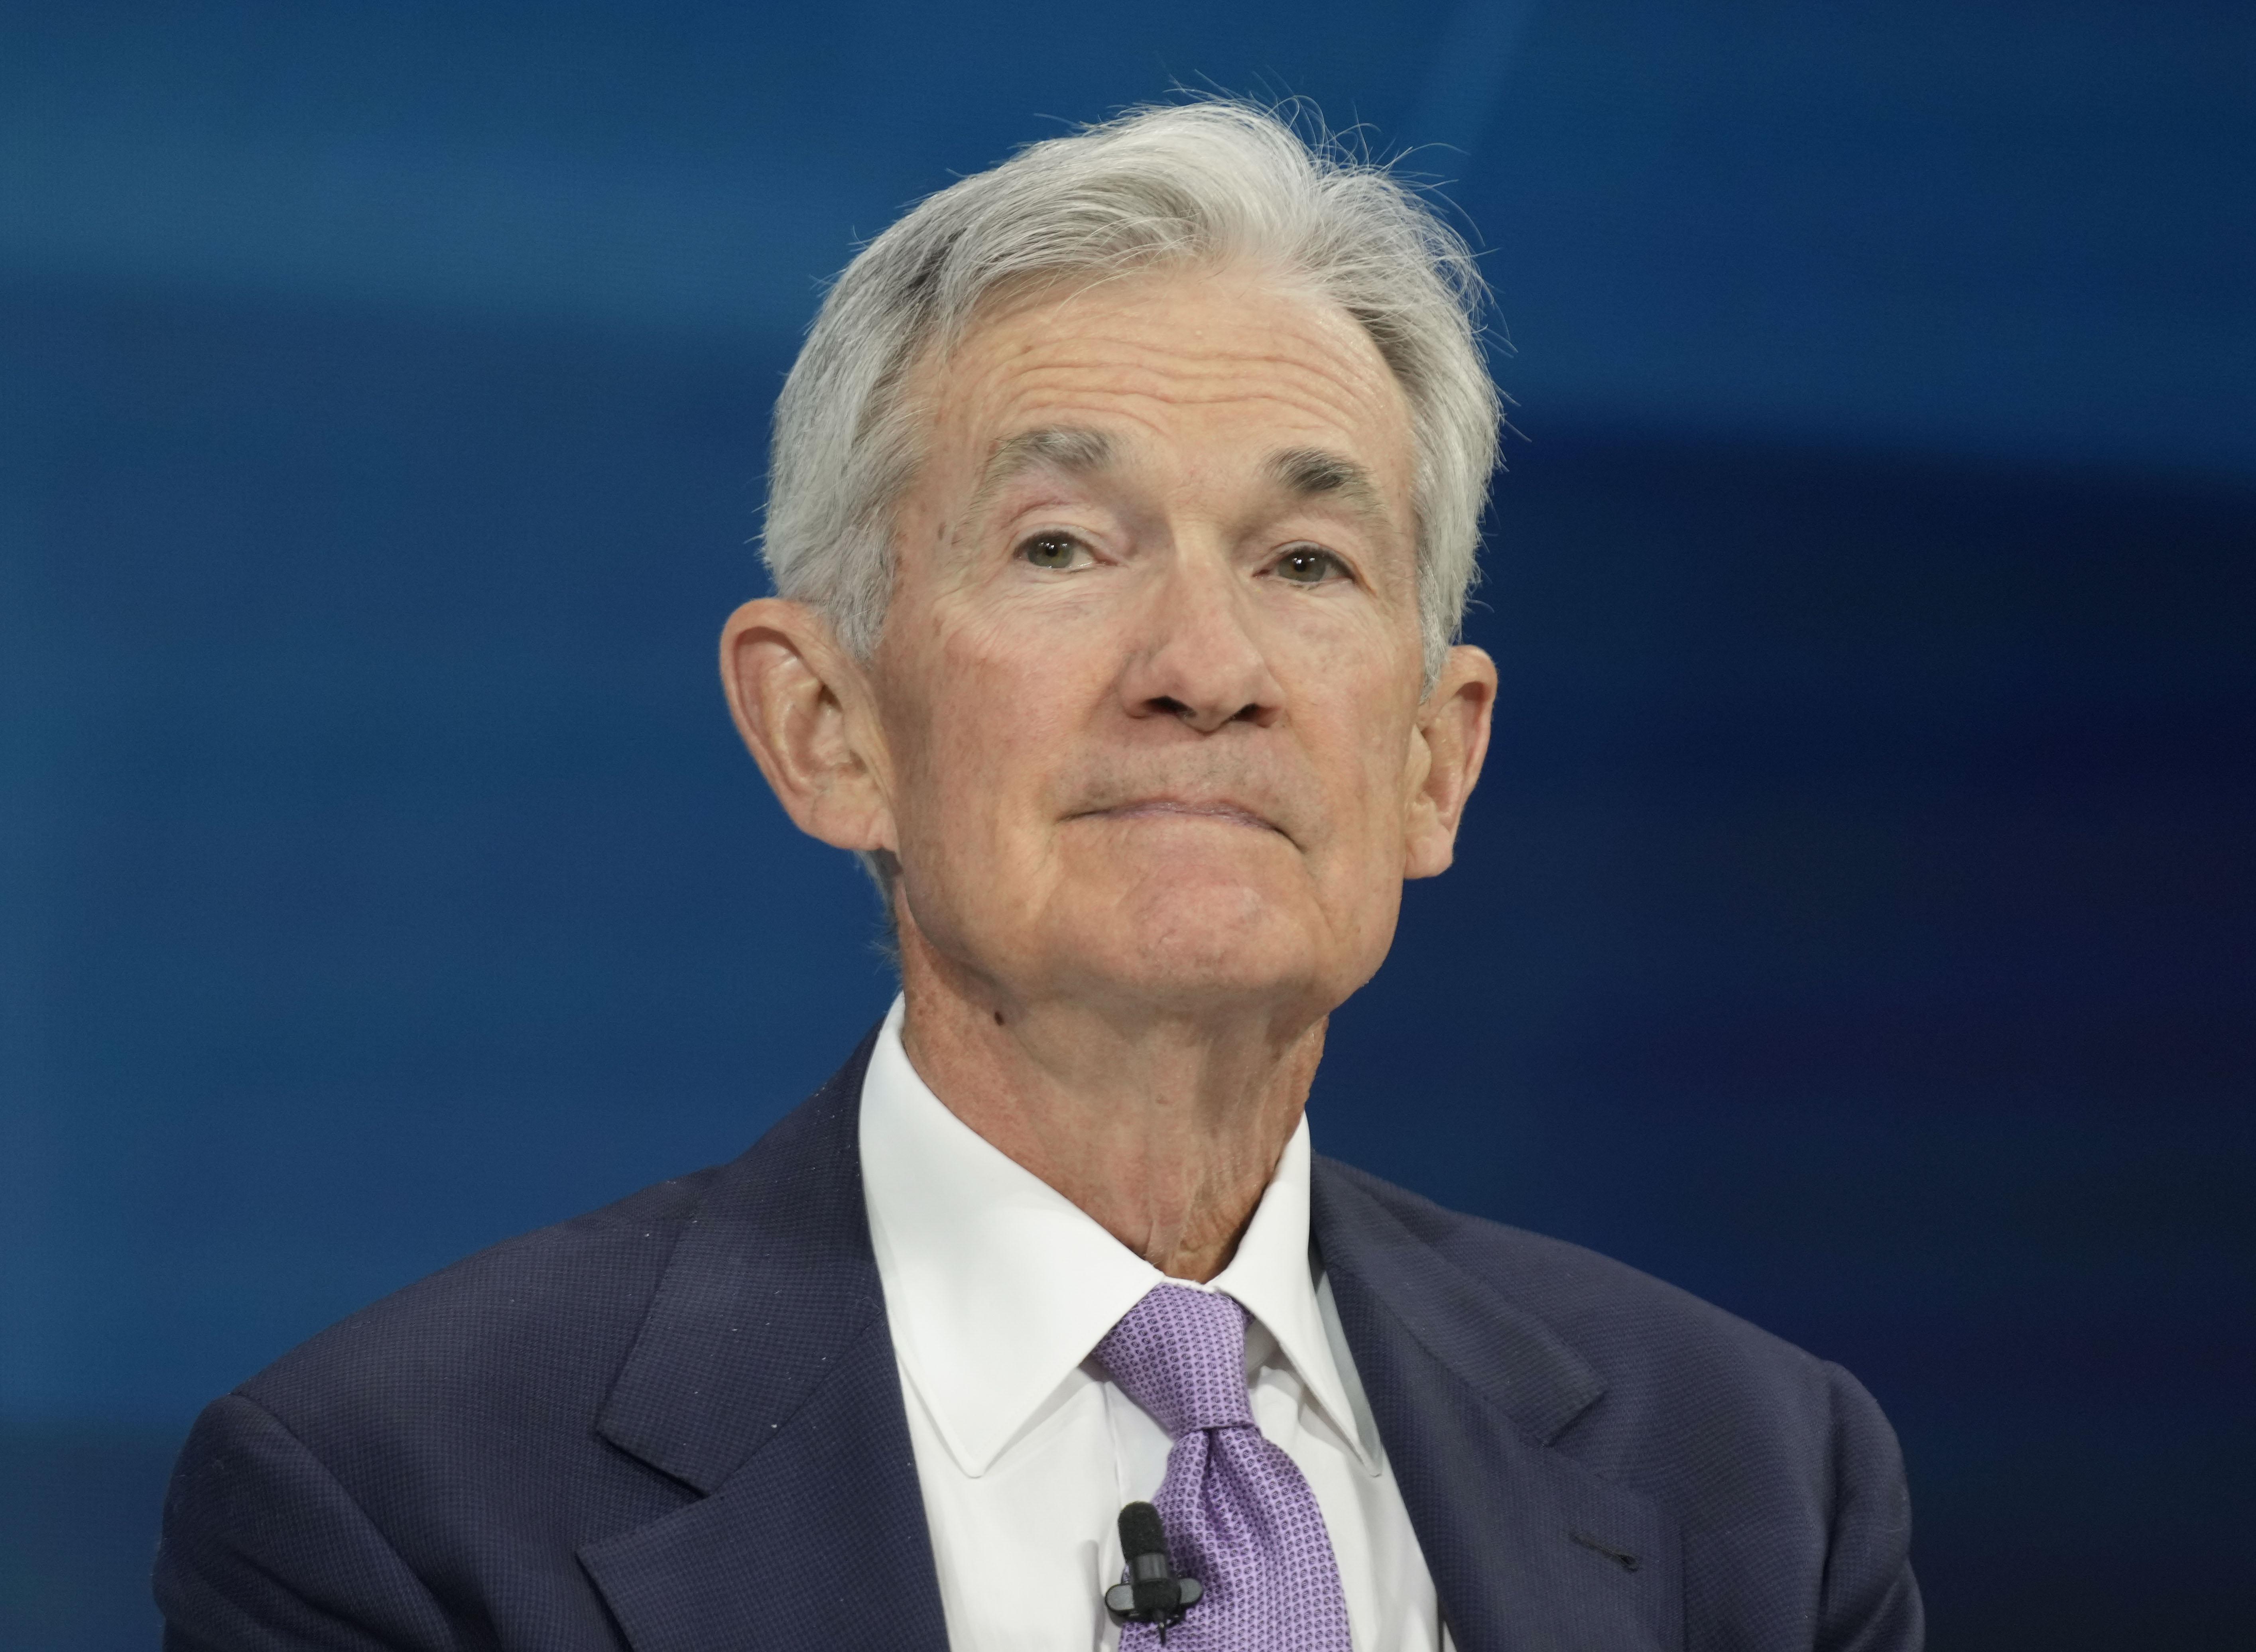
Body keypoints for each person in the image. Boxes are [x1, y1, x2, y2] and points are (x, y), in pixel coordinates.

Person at [155, 100, 1922, 1652]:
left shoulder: (1756, 1478)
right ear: (829, 722)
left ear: (1434, 763)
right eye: (1065, 543)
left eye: (1307, 560)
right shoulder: (399, 1498)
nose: (1204, 663)